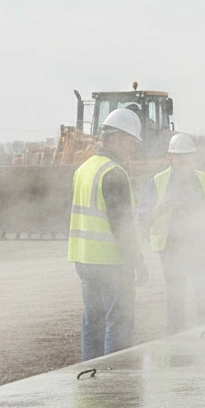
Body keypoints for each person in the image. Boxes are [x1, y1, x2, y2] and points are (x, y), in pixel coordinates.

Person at [67, 108, 149, 361]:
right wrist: (138, 262)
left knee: (93, 319)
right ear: (115, 138)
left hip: (84, 259)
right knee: (120, 321)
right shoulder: (114, 173)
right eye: (130, 141)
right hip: (111, 261)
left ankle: (91, 377)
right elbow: (121, 226)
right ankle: (116, 381)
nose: (133, 148)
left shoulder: (84, 169)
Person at [137, 132, 205, 333]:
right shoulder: (158, 181)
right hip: (171, 249)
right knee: (176, 296)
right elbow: (141, 218)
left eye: (188, 156)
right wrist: (160, 209)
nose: (184, 161)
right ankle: (177, 341)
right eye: (179, 156)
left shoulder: (203, 179)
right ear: (170, 158)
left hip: (199, 247)